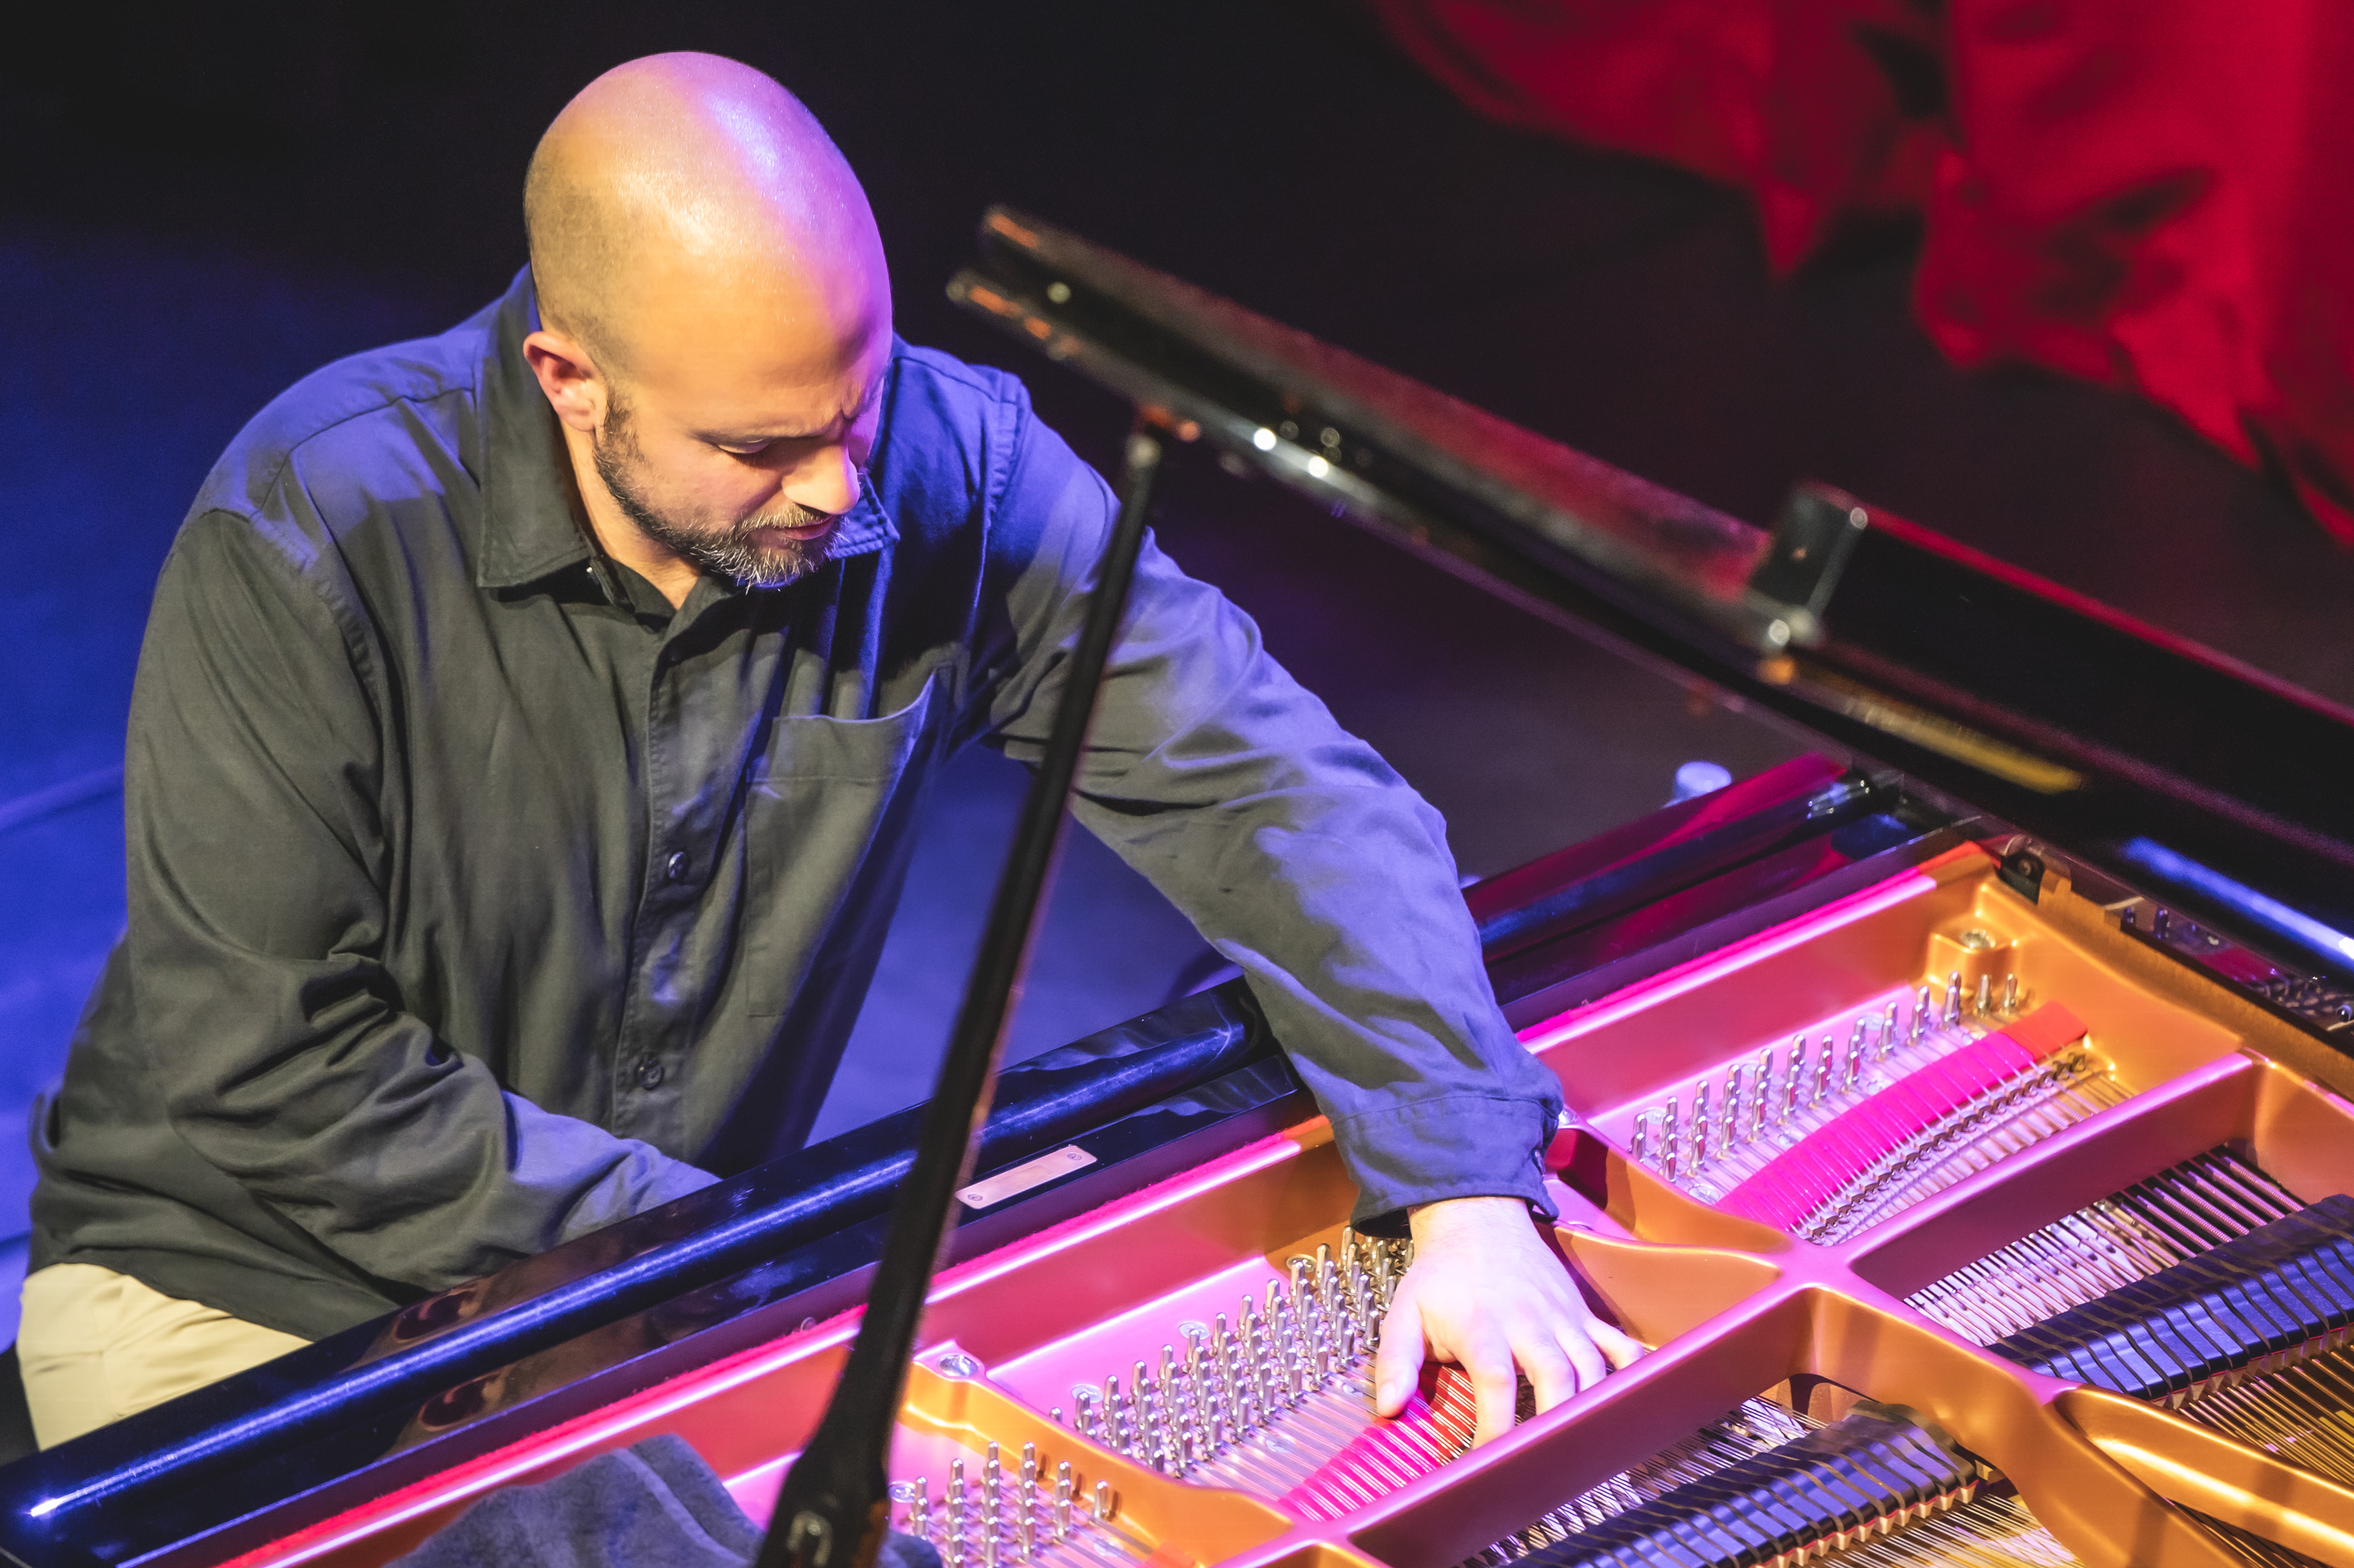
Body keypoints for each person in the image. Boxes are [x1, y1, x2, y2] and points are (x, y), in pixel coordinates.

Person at [19, 52, 1642, 1452]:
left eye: (854, 411)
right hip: (241, 1295)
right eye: (760, 448)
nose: (835, 491)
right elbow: (275, 1067)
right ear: (569, 382)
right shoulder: (319, 526)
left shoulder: (945, 466)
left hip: (659, 1285)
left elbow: (1269, 786)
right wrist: (738, 1257)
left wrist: (1466, 1180)